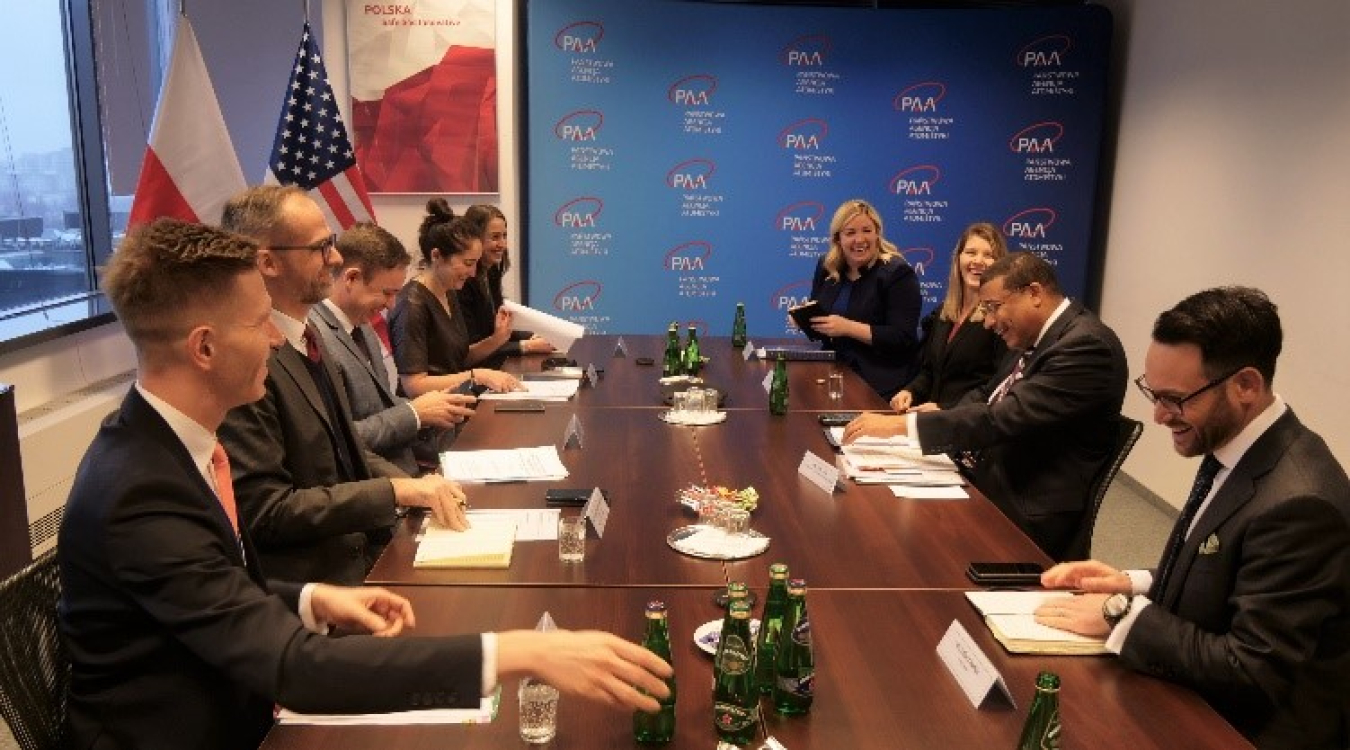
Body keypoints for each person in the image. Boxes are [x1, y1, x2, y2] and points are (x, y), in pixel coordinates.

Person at [57, 218, 672, 750]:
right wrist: (520, 653)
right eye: (257, 324)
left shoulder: (172, 445)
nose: (276, 339)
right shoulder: (138, 492)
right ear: (206, 348)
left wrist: (305, 599)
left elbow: (210, 591)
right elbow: (291, 666)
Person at [1034, 287, 1350, 750]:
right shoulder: (1233, 438)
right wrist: (1132, 583)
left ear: (1246, 386)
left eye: (1175, 399)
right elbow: (1232, 572)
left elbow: (1250, 668)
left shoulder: (1301, 503)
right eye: (1152, 392)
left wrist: (1120, 614)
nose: (1159, 416)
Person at [217, 186, 469, 585]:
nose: (334, 258)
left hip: (363, 553)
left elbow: (345, 449)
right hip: (316, 585)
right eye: (320, 248)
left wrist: (414, 486)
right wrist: (394, 493)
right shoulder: (246, 362)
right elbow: (265, 511)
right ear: (267, 262)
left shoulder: (311, 336)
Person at [842, 252, 1127, 560]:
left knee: (899, 541)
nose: (989, 323)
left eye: (993, 308)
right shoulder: (1038, 337)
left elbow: (1001, 418)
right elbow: (986, 394)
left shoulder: (1085, 347)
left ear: (1033, 293)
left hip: (1023, 508)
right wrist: (939, 415)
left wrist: (902, 426)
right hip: (992, 474)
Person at [310, 223, 476, 475]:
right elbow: (335, 442)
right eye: (387, 293)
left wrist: (436, 411)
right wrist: (415, 414)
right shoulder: (316, 340)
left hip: (404, 471)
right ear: (351, 278)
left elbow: (381, 407)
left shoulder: (363, 326)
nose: (391, 305)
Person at [387, 198, 524, 398]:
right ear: (437, 256)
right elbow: (414, 386)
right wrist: (477, 375)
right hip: (428, 419)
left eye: (476, 263)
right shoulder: (412, 305)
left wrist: (497, 340)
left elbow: (458, 359)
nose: (472, 272)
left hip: (455, 405)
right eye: (468, 263)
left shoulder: (449, 291)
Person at [797, 199, 922, 399]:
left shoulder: (897, 273)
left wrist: (847, 327)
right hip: (834, 370)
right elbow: (822, 330)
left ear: (877, 233)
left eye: (867, 230)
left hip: (882, 380)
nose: (860, 239)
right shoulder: (827, 265)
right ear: (838, 238)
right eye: (850, 233)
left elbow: (902, 338)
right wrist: (803, 320)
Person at [890, 222, 1009, 412]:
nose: (978, 261)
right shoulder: (944, 313)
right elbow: (930, 371)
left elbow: (999, 384)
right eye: (971, 252)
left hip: (969, 426)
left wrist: (945, 409)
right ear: (958, 259)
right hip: (935, 426)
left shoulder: (1001, 319)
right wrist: (910, 391)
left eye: (988, 255)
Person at [456, 203, 554, 369]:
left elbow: (495, 331)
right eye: (495, 237)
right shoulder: (461, 283)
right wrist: (525, 346)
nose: (502, 244)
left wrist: (532, 337)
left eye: (504, 236)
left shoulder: (492, 272)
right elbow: (473, 348)